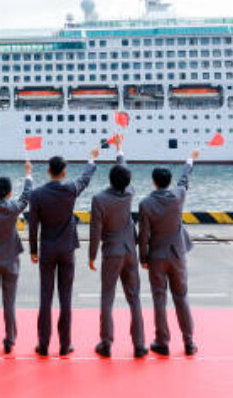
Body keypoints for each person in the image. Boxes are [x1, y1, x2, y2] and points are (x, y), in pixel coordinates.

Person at [28, 148, 98, 356]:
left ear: (48, 171)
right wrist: (91, 159)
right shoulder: (71, 189)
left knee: (45, 298)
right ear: (64, 172)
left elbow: (33, 226)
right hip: (67, 248)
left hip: (47, 249)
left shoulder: (36, 194)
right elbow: (85, 178)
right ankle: (65, 344)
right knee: (65, 298)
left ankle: (43, 345)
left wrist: (33, 250)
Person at [88, 138, 147, 358]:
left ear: (110, 179)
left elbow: (95, 231)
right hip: (130, 250)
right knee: (135, 298)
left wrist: (92, 256)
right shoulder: (130, 192)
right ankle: (139, 344)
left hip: (111, 252)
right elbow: (125, 172)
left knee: (107, 298)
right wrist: (120, 150)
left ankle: (106, 343)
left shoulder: (99, 199)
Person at [138, 150, 197, 357]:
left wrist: (143, 258)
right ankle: (189, 342)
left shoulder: (145, 204)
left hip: (156, 256)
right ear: (168, 181)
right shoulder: (178, 196)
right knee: (181, 297)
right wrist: (190, 161)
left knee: (159, 300)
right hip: (177, 255)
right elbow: (184, 180)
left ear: (153, 182)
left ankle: (162, 341)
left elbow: (143, 234)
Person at [0, 159, 33, 353]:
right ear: (9, 192)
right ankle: (10, 341)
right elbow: (26, 197)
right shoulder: (12, 209)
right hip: (11, 262)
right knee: (9, 304)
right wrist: (28, 175)